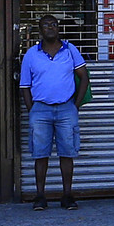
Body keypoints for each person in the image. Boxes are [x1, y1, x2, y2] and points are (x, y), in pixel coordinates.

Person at [19, 14, 88, 209]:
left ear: (58, 28)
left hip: (66, 108)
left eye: (54, 24)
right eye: (46, 25)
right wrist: (32, 110)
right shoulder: (31, 54)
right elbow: (25, 85)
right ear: (40, 30)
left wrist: (75, 105)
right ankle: (40, 196)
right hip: (41, 110)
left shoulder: (70, 50)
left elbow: (84, 77)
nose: (50, 27)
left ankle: (67, 195)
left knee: (67, 154)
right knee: (40, 155)